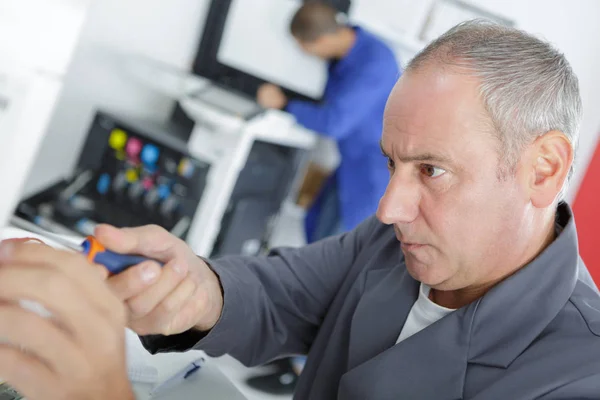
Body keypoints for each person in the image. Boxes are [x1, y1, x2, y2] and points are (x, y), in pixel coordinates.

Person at [2, 20, 600, 400]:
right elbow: (279, 292)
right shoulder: (387, 244)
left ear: (542, 169)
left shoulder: (578, 376)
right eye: (392, 164)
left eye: (431, 170)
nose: (389, 208)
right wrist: (194, 288)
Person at [257, 2, 400, 243]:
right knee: (314, 232)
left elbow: (335, 123)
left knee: (332, 250)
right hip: (350, 166)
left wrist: (284, 104)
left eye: (304, 48)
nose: (307, 55)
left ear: (320, 42)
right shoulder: (348, 51)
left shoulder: (375, 62)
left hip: (371, 176)